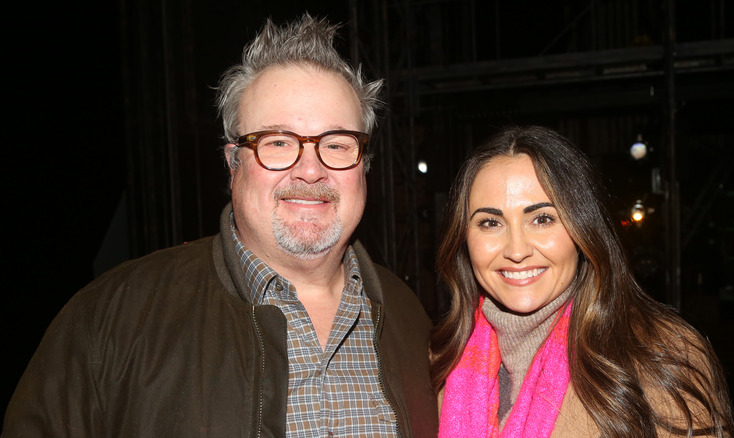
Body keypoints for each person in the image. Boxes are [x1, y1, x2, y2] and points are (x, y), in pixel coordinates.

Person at [3, 14, 438, 437]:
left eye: (338, 144)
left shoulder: (411, 319)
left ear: (364, 168)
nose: (310, 170)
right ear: (232, 165)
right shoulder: (111, 319)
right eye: (278, 142)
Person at [430, 125, 734, 437]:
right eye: (491, 222)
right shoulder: (441, 361)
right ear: (463, 239)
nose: (517, 250)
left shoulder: (661, 355)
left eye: (542, 219)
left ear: (582, 230)